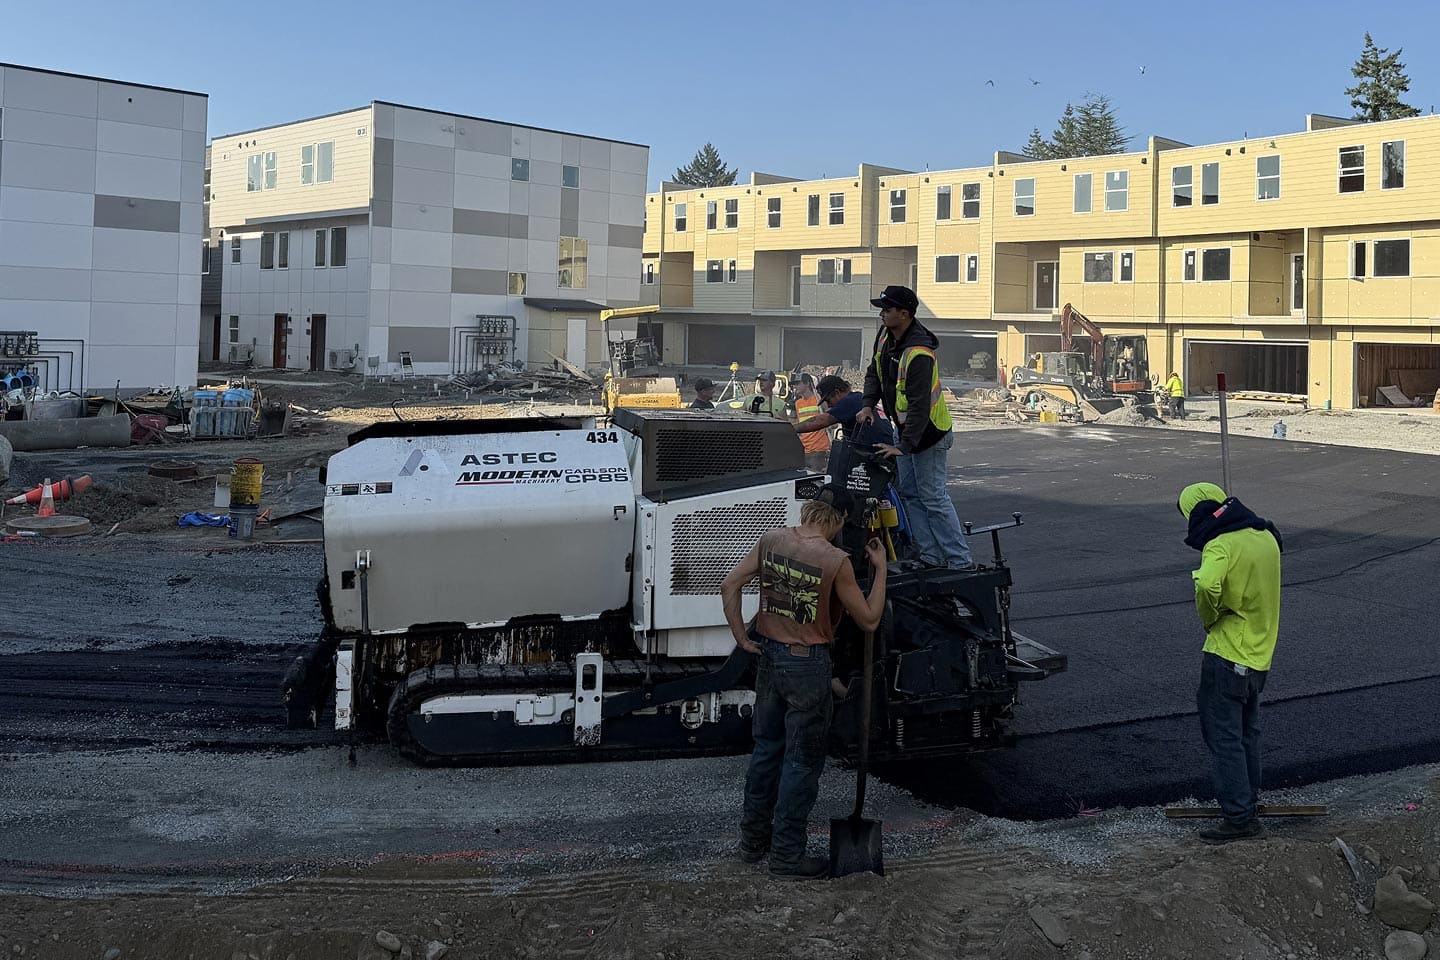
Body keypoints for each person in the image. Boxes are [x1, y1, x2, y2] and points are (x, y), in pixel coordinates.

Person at [720, 484, 888, 880]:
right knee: (801, 762)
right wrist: (881, 569)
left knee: (766, 752)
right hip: (807, 667)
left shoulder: (772, 540)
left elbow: (729, 584)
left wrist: (742, 638)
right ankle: (786, 857)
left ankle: (752, 844)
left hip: (769, 659)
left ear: (810, 509)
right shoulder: (835, 560)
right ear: (840, 520)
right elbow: (868, 619)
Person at [1178, 482, 1283, 845]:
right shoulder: (1265, 535)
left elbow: (1207, 586)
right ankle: (1247, 801)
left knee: (1224, 737)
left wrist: (1211, 617)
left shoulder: (1220, 544)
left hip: (1226, 655)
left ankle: (1238, 817)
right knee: (1247, 733)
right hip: (1260, 655)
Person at [857, 285, 974, 570]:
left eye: (887, 309)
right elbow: (874, 372)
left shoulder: (919, 353)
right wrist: (868, 404)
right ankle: (931, 557)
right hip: (906, 430)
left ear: (905, 313)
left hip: (929, 433)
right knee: (910, 494)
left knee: (932, 498)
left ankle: (959, 561)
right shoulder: (885, 336)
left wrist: (903, 446)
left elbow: (920, 406)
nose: (882, 314)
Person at [792, 374, 831, 473]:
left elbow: (831, 421)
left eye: (798, 383)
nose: (795, 386)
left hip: (819, 450)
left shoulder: (819, 400)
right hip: (804, 449)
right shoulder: (798, 403)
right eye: (794, 384)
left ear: (807, 384)